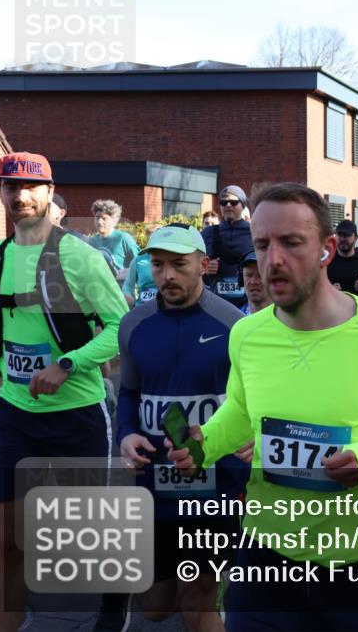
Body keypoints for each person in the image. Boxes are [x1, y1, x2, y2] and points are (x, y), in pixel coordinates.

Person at [167, 182, 358, 631]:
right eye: (262, 244)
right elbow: (243, 411)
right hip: (264, 562)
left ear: (326, 250)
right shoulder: (247, 334)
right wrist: (206, 442)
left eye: (291, 243)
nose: (273, 259)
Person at [0, 152, 130, 632]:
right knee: (7, 536)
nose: (19, 196)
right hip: (15, 413)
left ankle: (114, 604)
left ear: (50, 193)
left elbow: (120, 328)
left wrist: (69, 363)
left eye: (30, 187)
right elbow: (1, 327)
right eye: (9, 186)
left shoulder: (81, 257)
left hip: (77, 412)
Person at [116, 224, 249, 632]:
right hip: (153, 482)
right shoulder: (134, 324)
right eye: (158, 265)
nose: (167, 275)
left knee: (196, 602)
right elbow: (129, 392)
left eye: (179, 265)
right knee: (154, 608)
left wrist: (251, 437)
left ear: (204, 266)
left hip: (215, 485)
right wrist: (125, 434)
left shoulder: (235, 326)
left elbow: (256, 400)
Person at [202, 185, 254, 308]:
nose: (228, 205)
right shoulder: (207, 233)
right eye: (224, 202)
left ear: (243, 205)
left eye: (234, 202)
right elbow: (194, 268)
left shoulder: (255, 231)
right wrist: (206, 269)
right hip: (216, 303)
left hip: (248, 303)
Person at [89, 198, 140, 282]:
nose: (99, 222)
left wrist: (122, 274)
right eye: (97, 217)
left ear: (114, 221)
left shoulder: (123, 238)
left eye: (104, 218)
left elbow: (140, 264)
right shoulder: (92, 241)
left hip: (121, 292)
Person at [327, 219, 358, 295]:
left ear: (356, 238)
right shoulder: (327, 260)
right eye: (340, 235)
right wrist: (330, 289)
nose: (342, 239)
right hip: (333, 305)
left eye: (347, 235)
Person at [238, 249, 272, 316]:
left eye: (260, 276)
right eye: (249, 275)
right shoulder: (232, 319)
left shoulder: (288, 320)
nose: (254, 282)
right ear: (241, 279)